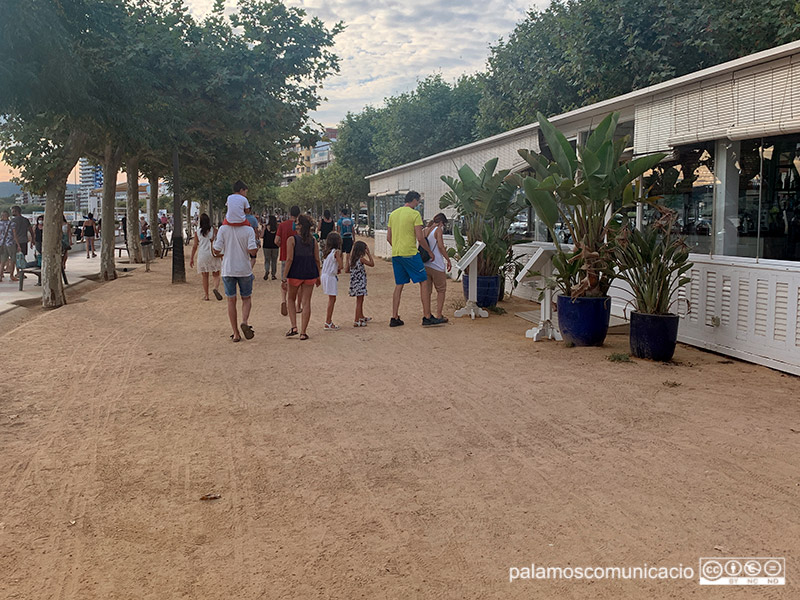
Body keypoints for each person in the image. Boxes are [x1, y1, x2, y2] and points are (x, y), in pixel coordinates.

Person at [386, 191, 443, 327]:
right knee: (423, 281)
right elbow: (419, 237)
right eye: (418, 201)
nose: (418, 204)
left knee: (399, 284)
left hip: (396, 254)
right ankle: (427, 316)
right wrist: (429, 252)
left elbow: (389, 237)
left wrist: (398, 247)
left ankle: (394, 317)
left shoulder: (393, 214)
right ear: (413, 200)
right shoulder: (415, 214)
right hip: (410, 253)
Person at [212, 208, 258, 342]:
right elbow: (252, 251)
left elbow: (217, 249)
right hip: (244, 268)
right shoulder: (248, 230)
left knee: (231, 301)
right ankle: (244, 321)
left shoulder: (223, 229)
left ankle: (236, 333)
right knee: (246, 298)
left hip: (228, 268)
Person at [282, 214, 321, 340]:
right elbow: (317, 259)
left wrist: (284, 276)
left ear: (299, 226)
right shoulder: (313, 240)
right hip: (310, 272)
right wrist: (318, 275)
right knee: (306, 302)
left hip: (295, 273)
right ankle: (303, 332)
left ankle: (294, 326)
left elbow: (289, 259)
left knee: (291, 299)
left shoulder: (292, 240)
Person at [423, 213, 453, 323]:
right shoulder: (438, 230)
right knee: (441, 290)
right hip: (437, 264)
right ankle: (439, 314)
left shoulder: (425, 230)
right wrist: (448, 259)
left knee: (427, 291)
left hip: (426, 264)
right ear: (441, 222)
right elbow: (440, 246)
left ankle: (427, 313)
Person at [275, 205, 301, 316]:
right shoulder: (299, 226)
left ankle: (283, 300)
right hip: (298, 257)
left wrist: (282, 246)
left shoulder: (282, 225)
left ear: (290, 213)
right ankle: (297, 305)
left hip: (285, 256)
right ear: (299, 214)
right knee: (298, 282)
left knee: (284, 280)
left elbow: (276, 240)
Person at [190, 213, 223, 301]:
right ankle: (215, 288)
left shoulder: (197, 232)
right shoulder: (214, 230)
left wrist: (192, 258)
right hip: (213, 253)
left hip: (202, 255)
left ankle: (206, 295)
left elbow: (195, 246)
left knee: (205, 276)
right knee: (216, 274)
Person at [347, 240, 374, 327]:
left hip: (354, 282)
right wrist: (369, 254)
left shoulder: (352, 259)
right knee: (359, 302)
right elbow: (372, 264)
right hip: (360, 283)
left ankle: (361, 316)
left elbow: (347, 270)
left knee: (360, 300)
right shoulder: (361, 259)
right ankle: (356, 320)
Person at [320, 232, 342, 331]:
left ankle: (328, 321)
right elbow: (341, 265)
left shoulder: (327, 252)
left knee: (331, 298)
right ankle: (328, 321)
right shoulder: (336, 252)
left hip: (325, 275)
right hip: (330, 277)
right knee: (332, 299)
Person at [0, 210, 17, 282]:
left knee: (2, 261)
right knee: (13, 260)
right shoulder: (12, 223)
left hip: (2, 244)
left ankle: (0, 276)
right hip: (10, 244)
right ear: (8, 216)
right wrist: (18, 244)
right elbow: (14, 235)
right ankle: (11, 275)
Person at [262, 215, 279, 280]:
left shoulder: (266, 227)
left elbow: (261, 236)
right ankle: (273, 275)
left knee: (267, 260)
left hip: (266, 246)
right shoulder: (277, 228)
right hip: (275, 246)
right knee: (274, 261)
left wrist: (263, 228)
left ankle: (267, 271)